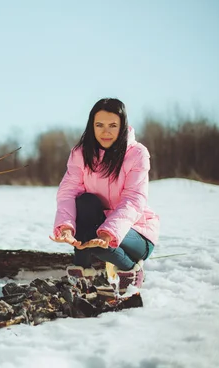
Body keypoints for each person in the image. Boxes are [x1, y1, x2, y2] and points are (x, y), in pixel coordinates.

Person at [51, 98, 159, 294]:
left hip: (137, 232)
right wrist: (66, 227)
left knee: (98, 241)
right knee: (84, 202)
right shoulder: (81, 153)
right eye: (99, 125)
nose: (105, 131)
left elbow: (134, 200)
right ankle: (82, 271)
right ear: (91, 126)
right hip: (97, 226)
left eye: (113, 125)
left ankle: (130, 270)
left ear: (123, 125)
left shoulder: (137, 154)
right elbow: (67, 192)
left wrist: (108, 233)